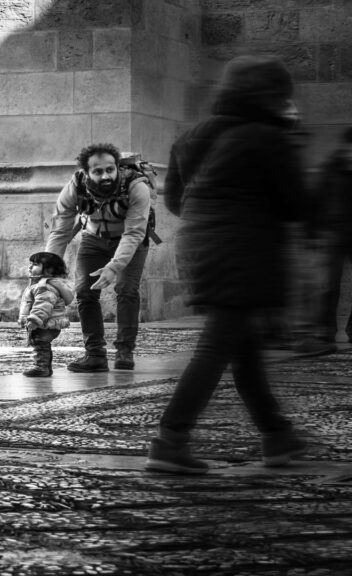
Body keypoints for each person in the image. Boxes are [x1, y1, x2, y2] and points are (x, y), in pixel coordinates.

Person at [145, 55, 308, 475]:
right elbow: (294, 203)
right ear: (271, 95)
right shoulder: (265, 136)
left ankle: (277, 435)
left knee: (242, 348)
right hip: (244, 251)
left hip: (201, 247)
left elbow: (174, 200)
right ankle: (171, 439)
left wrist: (210, 219)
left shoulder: (193, 135)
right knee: (218, 347)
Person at [45, 142, 153, 372]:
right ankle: (95, 354)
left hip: (130, 240)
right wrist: (48, 272)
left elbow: (134, 233)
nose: (105, 175)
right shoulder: (75, 186)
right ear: (86, 172)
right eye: (97, 171)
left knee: (126, 289)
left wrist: (114, 267)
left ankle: (125, 351)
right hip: (93, 239)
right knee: (84, 291)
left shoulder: (136, 186)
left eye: (110, 170)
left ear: (117, 168)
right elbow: (61, 230)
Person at [295, 127, 352, 354]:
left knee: (329, 285)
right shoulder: (332, 168)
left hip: (338, 231)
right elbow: (316, 200)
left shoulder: (332, 168)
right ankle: (325, 332)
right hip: (335, 233)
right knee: (329, 286)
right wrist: (311, 232)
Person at [18, 252, 73, 378]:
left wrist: (34, 320)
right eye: (31, 264)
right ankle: (45, 367)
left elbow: (43, 305)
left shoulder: (44, 287)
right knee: (41, 344)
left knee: (40, 344)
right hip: (45, 322)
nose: (30, 267)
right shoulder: (40, 284)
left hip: (44, 322)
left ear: (49, 270)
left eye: (35, 264)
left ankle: (41, 367)